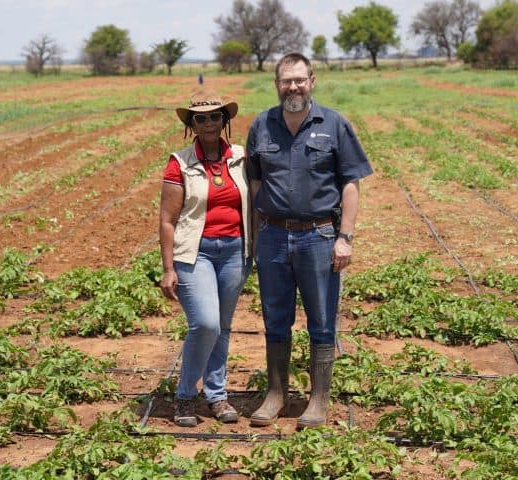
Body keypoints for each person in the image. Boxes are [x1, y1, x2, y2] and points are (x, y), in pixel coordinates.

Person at [246, 52, 372, 429]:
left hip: (318, 236)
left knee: (321, 321)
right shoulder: (261, 125)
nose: (293, 87)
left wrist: (344, 237)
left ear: (312, 81)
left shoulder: (333, 125)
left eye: (300, 80)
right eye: (287, 81)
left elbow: (350, 184)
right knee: (275, 319)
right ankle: (276, 394)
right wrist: (256, 238)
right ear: (277, 85)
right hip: (272, 237)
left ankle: (318, 399)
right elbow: (254, 183)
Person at [159, 89, 252, 427]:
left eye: (215, 116)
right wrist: (168, 268)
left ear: (224, 120)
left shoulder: (242, 157)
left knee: (222, 327)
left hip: (234, 252)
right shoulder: (179, 162)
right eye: (202, 117)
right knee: (205, 323)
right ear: (192, 124)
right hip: (193, 254)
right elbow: (167, 220)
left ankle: (216, 395)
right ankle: (185, 396)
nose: (209, 122)